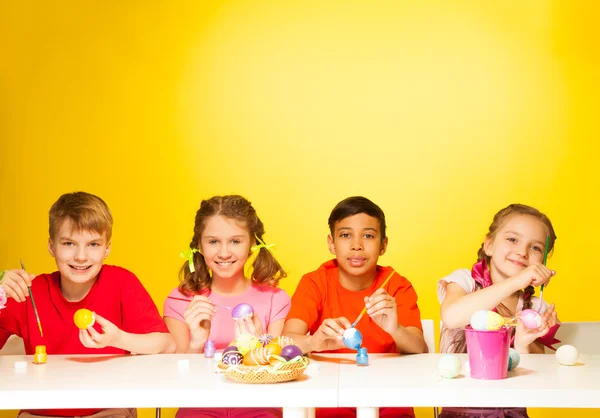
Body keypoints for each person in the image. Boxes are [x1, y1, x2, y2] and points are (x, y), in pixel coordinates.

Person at [0, 191, 175, 418]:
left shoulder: (122, 283)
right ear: (52, 246)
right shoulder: (27, 292)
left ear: (107, 248)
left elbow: (167, 345)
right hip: (42, 412)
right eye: (69, 243)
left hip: (109, 410)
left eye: (93, 244)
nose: (81, 256)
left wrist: (117, 338)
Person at [284, 196, 427, 418]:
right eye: (345, 235)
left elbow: (420, 348)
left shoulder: (396, 284)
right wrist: (314, 341)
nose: (357, 245)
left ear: (383, 245)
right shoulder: (315, 283)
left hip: (391, 398)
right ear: (331, 243)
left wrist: (395, 328)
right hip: (331, 398)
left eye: (368, 235)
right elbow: (286, 342)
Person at [163, 195, 290, 418]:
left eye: (235, 241)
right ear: (199, 245)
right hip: (198, 407)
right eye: (213, 242)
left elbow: (281, 373)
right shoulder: (180, 301)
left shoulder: (275, 299)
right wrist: (196, 344)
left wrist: (258, 347)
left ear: (252, 243)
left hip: (260, 407)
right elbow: (175, 381)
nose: (224, 253)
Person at [438, 203, 559, 418]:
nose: (522, 252)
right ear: (489, 245)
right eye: (512, 239)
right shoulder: (465, 281)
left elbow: (534, 381)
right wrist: (515, 282)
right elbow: (452, 317)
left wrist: (523, 344)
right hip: (457, 411)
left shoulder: (536, 306)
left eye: (536, 248)